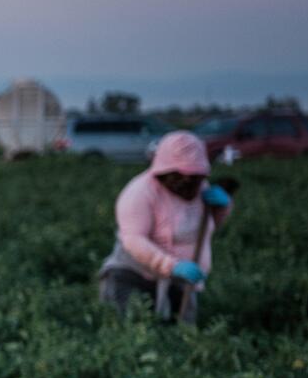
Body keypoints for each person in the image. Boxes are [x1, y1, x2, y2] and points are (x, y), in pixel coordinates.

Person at [97, 130, 232, 326]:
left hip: (178, 279)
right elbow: (134, 240)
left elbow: (204, 230)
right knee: (134, 329)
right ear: (164, 171)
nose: (187, 183)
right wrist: (171, 266)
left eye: (194, 177)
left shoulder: (200, 189)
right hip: (135, 274)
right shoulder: (139, 194)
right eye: (180, 176)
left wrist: (222, 208)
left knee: (179, 333)